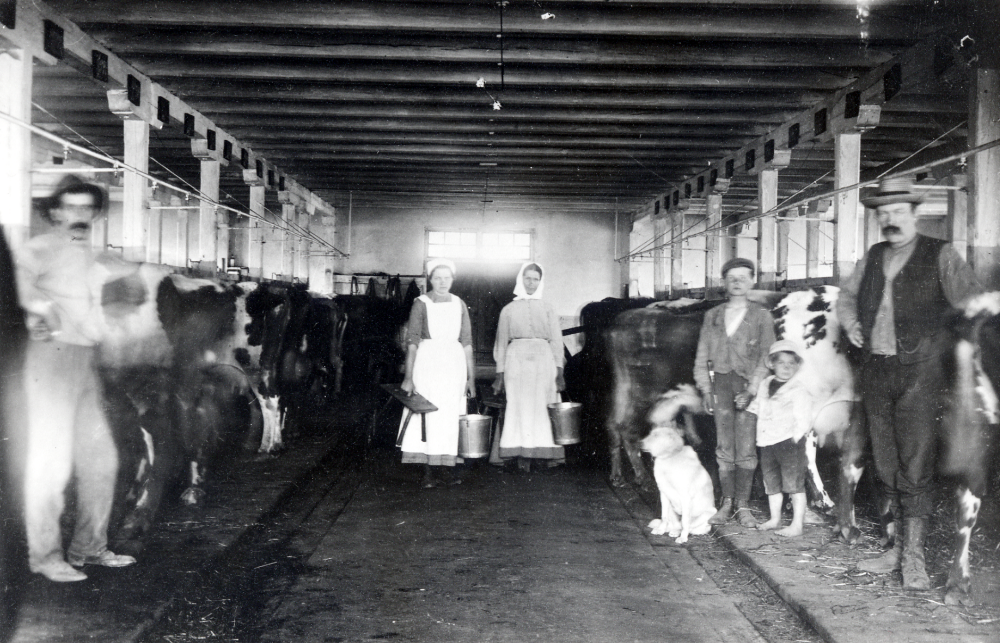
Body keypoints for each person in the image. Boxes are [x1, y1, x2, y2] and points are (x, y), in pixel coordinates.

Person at [837, 176, 980, 590]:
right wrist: (850, 324)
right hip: (876, 371)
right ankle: (895, 548)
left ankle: (913, 558)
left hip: (922, 374)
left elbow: (971, 303)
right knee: (885, 463)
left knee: (915, 464)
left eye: (898, 212)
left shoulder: (942, 254)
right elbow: (846, 299)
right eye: (884, 213)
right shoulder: (872, 255)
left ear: (915, 214)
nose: (890, 220)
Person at [15, 176, 136, 582]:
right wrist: (39, 308)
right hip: (51, 359)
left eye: (88, 208)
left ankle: (89, 549)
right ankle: (45, 556)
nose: (80, 215)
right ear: (55, 212)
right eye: (71, 208)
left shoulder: (92, 256)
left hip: (85, 361)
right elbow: (17, 279)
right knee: (50, 463)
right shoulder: (41, 247)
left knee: (102, 461)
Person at [694, 257, 775, 528]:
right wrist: (706, 389)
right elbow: (702, 355)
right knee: (724, 445)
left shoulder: (762, 316)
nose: (737, 282)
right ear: (723, 283)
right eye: (732, 278)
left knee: (747, 447)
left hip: (748, 386)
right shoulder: (713, 316)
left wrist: (752, 389)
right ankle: (726, 502)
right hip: (721, 386)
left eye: (743, 277)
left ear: (753, 280)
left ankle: (743, 505)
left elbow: (767, 356)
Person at [400, 258, 476, 488]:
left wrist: (471, 377)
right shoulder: (420, 303)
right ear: (430, 279)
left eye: (447, 278)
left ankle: (445, 470)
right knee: (428, 415)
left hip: (454, 366)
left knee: (450, 416)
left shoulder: (459, 303)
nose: (443, 282)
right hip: (428, 364)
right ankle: (427, 472)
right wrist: (408, 376)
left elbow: (467, 343)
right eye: (437, 278)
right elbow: (412, 342)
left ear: (452, 279)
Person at [491, 262, 566, 473]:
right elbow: (501, 343)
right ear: (520, 280)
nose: (531, 283)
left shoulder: (548, 308)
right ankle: (518, 455)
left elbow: (557, 342)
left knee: (543, 406)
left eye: (535, 279)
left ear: (540, 282)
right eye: (528, 278)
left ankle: (542, 456)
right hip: (516, 361)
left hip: (544, 362)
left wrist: (559, 372)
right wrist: (499, 375)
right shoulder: (508, 310)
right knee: (518, 404)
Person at [747, 340, 812, 538]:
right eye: (781, 363)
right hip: (766, 441)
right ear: (772, 364)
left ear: (797, 366)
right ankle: (775, 519)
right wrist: (746, 409)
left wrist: (795, 438)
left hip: (788, 443)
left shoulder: (798, 389)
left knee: (793, 484)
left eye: (791, 363)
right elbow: (757, 406)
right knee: (771, 482)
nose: (786, 367)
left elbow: (804, 418)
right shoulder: (765, 384)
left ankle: (797, 525)